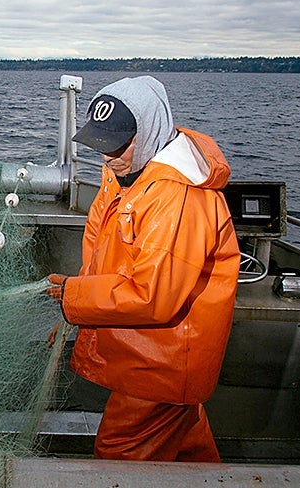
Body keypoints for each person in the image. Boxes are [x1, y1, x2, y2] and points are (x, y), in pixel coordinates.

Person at [47, 75, 240, 461]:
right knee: (187, 449)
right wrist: (80, 314)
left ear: (151, 131)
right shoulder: (126, 175)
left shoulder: (177, 197)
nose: (107, 155)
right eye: (100, 143)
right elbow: (107, 256)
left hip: (164, 363)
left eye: (118, 144)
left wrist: (75, 298)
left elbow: (153, 296)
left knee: (120, 453)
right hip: (157, 357)